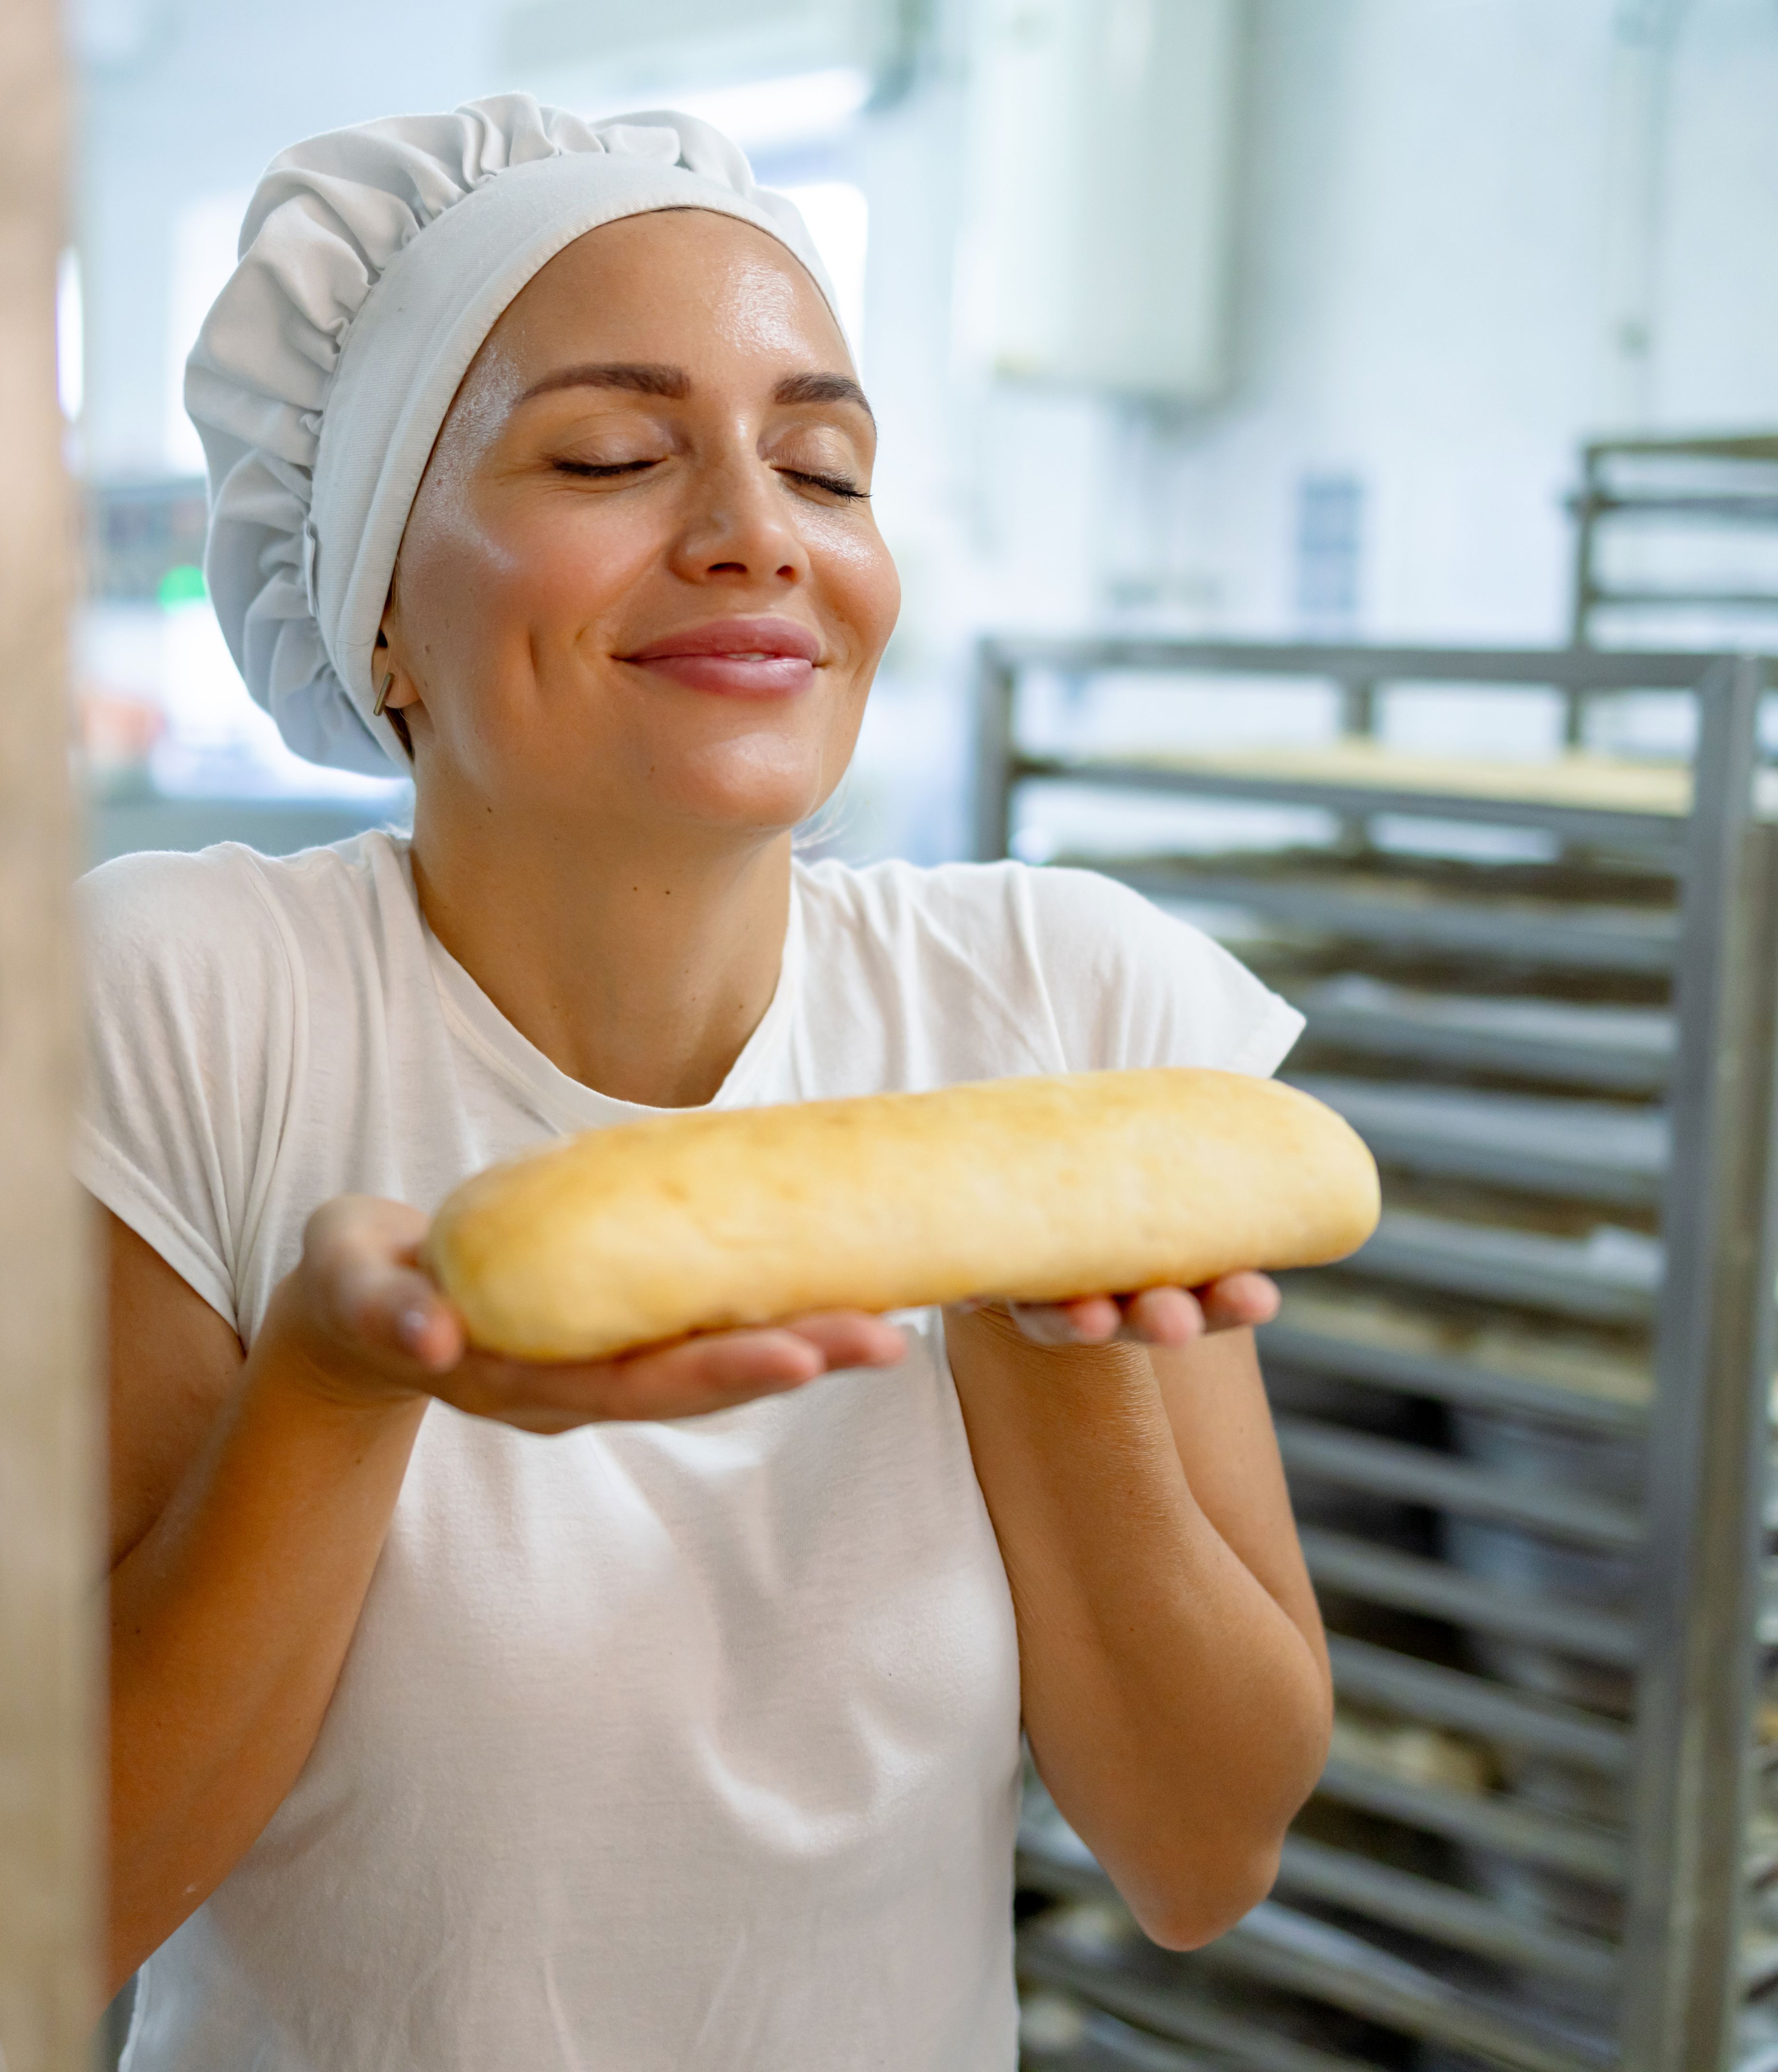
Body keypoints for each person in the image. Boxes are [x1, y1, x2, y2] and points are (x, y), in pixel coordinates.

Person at [82, 97, 1332, 2071]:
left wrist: (1053, 1341)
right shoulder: (190, 1005)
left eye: (825, 466)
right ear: (377, 609)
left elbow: (1203, 1855)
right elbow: (50, 1897)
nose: (758, 530)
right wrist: (339, 1388)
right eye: (612, 453)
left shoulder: (1069, 1012)